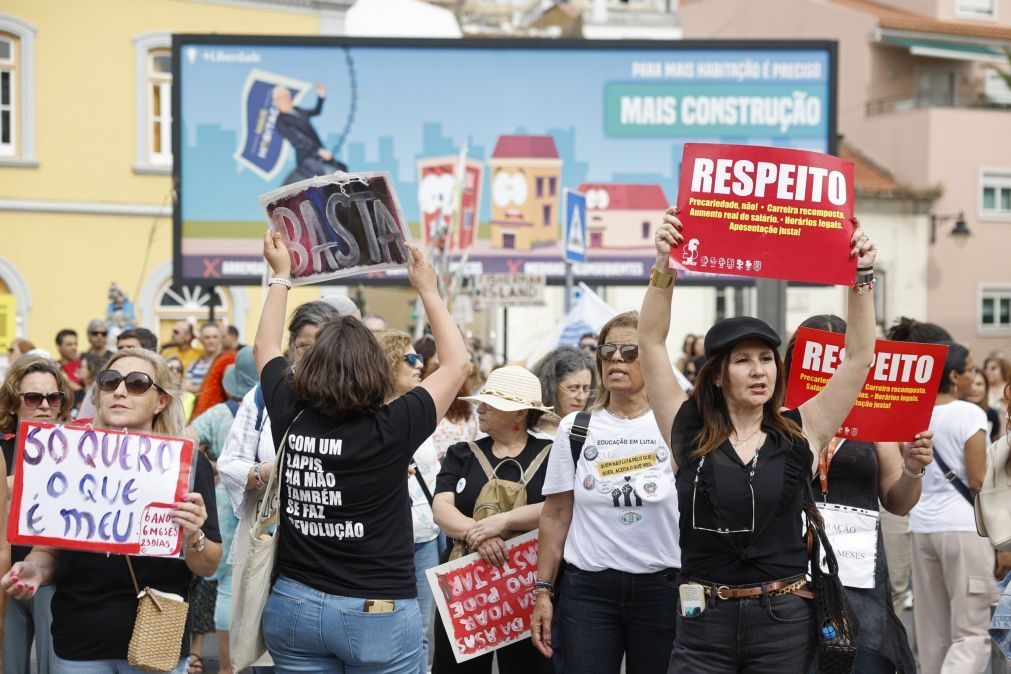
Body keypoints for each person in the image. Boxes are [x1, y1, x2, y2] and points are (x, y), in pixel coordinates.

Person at [632, 209, 893, 672]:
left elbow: (858, 357)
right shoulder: (687, 429)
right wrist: (664, 266)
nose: (759, 371)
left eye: (767, 359)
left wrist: (862, 277)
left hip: (783, 623)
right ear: (716, 375)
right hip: (702, 622)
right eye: (743, 361)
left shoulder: (802, 429)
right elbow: (650, 343)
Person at [254, 231, 469, 672]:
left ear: (309, 366)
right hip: (377, 610)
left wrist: (281, 276)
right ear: (376, 371)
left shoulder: (289, 411)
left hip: (294, 602)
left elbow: (265, 348)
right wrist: (427, 288)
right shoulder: (394, 426)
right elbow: (457, 365)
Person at [1, 348, 223, 673]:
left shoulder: (187, 465)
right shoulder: (68, 456)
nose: (119, 391)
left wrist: (193, 535)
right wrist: (37, 569)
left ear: (160, 400)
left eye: (136, 383)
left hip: (155, 645)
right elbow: (48, 550)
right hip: (78, 645)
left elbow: (207, 566)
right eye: (109, 382)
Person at [532, 312, 680, 674]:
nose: (616, 359)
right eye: (607, 350)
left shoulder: (678, 423)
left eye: (631, 351)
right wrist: (543, 591)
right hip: (588, 592)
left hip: (662, 590)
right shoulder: (575, 427)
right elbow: (555, 514)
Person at [784, 315, 931, 673]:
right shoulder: (776, 416)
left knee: (861, 659)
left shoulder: (872, 417)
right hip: (790, 565)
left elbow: (898, 501)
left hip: (858, 571)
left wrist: (913, 468)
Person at [432, 366, 554, 674]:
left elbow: (559, 509)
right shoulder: (461, 453)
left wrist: (504, 522)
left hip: (529, 587)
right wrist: (481, 535)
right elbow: (441, 508)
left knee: (529, 666)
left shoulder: (553, 454)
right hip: (467, 588)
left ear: (519, 415)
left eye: (491, 403)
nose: (480, 408)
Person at [909, 342, 999, 674]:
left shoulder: (915, 412)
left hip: (922, 526)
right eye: (970, 370)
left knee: (933, 634)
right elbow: (978, 480)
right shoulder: (969, 413)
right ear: (953, 376)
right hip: (964, 528)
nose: (974, 377)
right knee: (972, 633)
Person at [0, 356, 74, 674]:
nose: (44, 405)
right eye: (33, 398)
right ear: (14, 403)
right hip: (6, 573)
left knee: (51, 667)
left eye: (53, 398)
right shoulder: (2, 450)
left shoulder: (80, 450)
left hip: (53, 577)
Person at [186, 347, 257, 674]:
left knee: (226, 588)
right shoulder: (273, 415)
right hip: (261, 505)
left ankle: (228, 668)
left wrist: (214, 465)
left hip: (222, 506)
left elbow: (184, 438)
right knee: (247, 587)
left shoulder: (218, 415)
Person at [378, 330, 442, 673]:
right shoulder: (366, 415)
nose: (421, 365)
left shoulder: (420, 407)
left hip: (426, 534)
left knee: (421, 628)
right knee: (388, 629)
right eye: (412, 359)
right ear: (389, 364)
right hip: (387, 539)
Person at [273, 83, 348, 181]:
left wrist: (321, 96)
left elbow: (316, 111)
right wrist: (319, 151)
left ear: (290, 97)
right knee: (319, 172)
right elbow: (299, 140)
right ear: (276, 102)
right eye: (279, 97)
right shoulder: (281, 121)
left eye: (285, 96)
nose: (283, 99)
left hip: (320, 153)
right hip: (307, 157)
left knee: (342, 168)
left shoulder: (298, 110)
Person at [531, 346, 594, 438]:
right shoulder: (531, 433)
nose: (581, 397)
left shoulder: (593, 430)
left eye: (586, 389)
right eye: (573, 389)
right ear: (551, 387)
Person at [965, 368, 1002, 442]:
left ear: (986, 387)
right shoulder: (955, 411)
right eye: (970, 383)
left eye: (979, 384)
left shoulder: (992, 414)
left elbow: (995, 442)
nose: (974, 388)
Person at [187, 323, 224, 393]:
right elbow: (185, 387)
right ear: (201, 340)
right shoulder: (194, 364)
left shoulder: (225, 362)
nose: (211, 341)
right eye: (207, 337)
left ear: (220, 339)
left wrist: (195, 388)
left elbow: (219, 389)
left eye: (215, 337)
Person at [983, 354, 1011, 432]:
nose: (988, 371)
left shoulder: (1008, 388)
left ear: (1003, 369)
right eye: (986, 368)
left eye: (993, 368)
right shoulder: (982, 388)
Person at [72, 353, 104, 417]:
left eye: (81, 367)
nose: (78, 370)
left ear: (92, 369)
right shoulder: (82, 391)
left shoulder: (96, 390)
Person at [166, 356, 197, 420]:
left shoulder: (190, 398)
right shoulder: (157, 394)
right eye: (170, 368)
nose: (175, 371)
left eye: (179, 369)